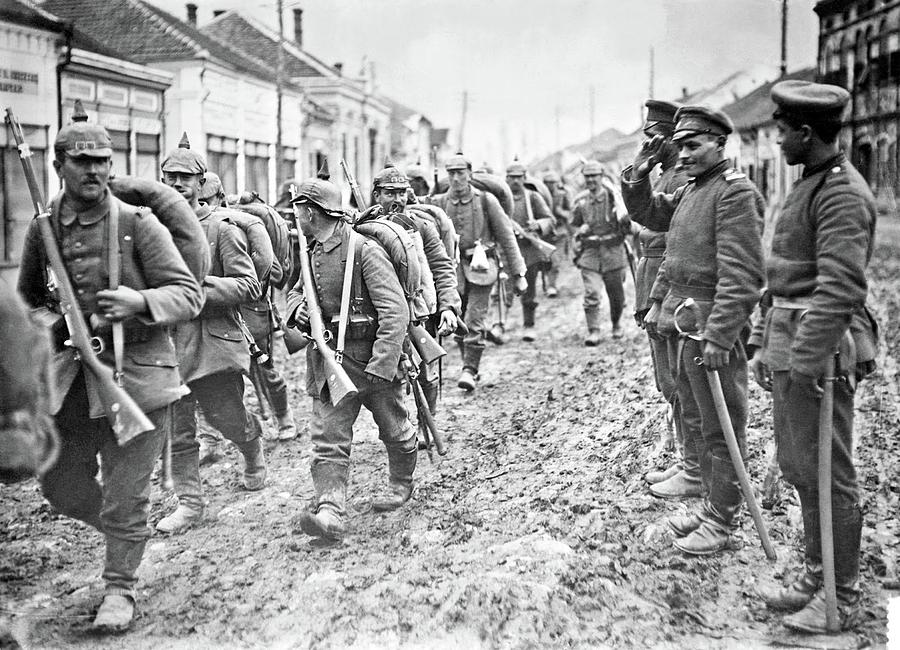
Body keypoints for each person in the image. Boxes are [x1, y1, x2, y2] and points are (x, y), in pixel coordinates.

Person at [17, 110, 203, 630]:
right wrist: (58, 324)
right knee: (59, 484)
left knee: (127, 493)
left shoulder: (136, 224)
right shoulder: (43, 228)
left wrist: (137, 301)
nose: (95, 172)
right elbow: (29, 299)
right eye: (82, 163)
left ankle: (120, 588)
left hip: (138, 377)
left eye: (103, 161)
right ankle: (129, 533)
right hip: (75, 382)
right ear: (58, 166)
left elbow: (186, 293)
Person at [753, 81, 878, 634]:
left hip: (820, 348)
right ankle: (815, 574)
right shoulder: (808, 183)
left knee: (830, 471)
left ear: (806, 133)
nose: (777, 139)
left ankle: (842, 594)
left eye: (782, 130)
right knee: (801, 467)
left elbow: (839, 289)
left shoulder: (842, 194)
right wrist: (763, 342)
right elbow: (780, 273)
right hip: (790, 336)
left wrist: (803, 363)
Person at [621, 105, 765, 555]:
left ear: (720, 144)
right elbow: (659, 229)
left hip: (709, 328)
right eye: (679, 146)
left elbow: (742, 277)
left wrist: (721, 336)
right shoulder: (693, 191)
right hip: (685, 322)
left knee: (723, 427)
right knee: (696, 417)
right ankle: (708, 505)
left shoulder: (734, 194)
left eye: (693, 146)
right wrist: (639, 173)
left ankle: (723, 519)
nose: (682, 155)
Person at [285, 170, 415, 541]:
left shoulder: (364, 250)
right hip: (330, 363)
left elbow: (395, 313)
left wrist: (382, 367)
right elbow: (295, 292)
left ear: (311, 213)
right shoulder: (309, 251)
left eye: (299, 211)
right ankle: (330, 510)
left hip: (370, 359)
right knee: (328, 435)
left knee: (394, 427)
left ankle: (400, 483)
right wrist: (299, 311)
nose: (296, 217)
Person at [155, 134, 267, 534]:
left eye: (186, 178)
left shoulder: (222, 228)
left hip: (211, 342)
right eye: (171, 176)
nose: (178, 184)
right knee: (177, 428)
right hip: (165, 345)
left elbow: (248, 285)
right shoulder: (150, 227)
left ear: (202, 183)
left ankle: (251, 446)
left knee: (226, 416)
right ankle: (189, 502)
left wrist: (197, 292)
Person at [629, 100, 699, 498]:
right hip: (652, 275)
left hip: (668, 279)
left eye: (652, 136)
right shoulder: (663, 176)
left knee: (677, 377)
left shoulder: (678, 179)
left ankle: (691, 461)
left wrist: (661, 297)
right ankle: (685, 455)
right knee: (667, 377)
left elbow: (677, 244)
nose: (648, 144)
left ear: (669, 137)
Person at [199, 173, 299, 444]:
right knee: (208, 376)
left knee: (263, 372)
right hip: (211, 311)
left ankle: (283, 416)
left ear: (219, 198)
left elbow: (276, 273)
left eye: (205, 200)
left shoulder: (239, 225)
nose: (200, 206)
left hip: (249, 309)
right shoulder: (187, 226)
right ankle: (210, 438)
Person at [367, 160, 461, 413]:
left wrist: (448, 306)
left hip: (419, 310)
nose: (397, 199)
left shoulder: (422, 226)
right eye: (390, 193)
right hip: (381, 313)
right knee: (387, 371)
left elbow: (442, 267)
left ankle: (425, 421)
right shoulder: (364, 228)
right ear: (377, 195)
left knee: (425, 374)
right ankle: (400, 429)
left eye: (402, 192)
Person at [431, 152, 527, 390]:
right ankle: (469, 363)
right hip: (451, 272)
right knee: (460, 319)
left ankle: (469, 370)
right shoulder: (440, 203)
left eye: (460, 173)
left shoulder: (486, 201)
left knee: (475, 318)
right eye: (451, 173)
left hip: (483, 267)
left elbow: (506, 237)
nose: (455, 179)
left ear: (469, 175)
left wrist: (519, 274)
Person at [571, 161, 629, 345]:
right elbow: (574, 225)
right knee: (592, 293)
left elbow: (627, 224)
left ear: (601, 177)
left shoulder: (614, 199)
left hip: (613, 252)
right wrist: (582, 229)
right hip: (590, 253)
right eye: (587, 176)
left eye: (594, 176)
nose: (590, 180)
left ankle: (616, 323)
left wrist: (623, 218)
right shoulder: (580, 202)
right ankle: (593, 330)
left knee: (616, 295)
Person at [505, 159, 554, 341]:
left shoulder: (532, 197)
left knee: (529, 289)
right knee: (503, 290)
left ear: (525, 178)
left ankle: (529, 325)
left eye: (519, 177)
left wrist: (538, 225)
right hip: (508, 249)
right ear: (506, 178)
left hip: (529, 249)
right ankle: (500, 325)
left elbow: (549, 219)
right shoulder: (501, 198)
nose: (516, 181)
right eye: (512, 177)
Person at [541, 170, 573, 296]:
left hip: (560, 233)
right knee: (545, 261)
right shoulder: (539, 196)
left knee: (555, 260)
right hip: (544, 234)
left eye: (552, 182)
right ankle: (547, 283)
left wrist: (560, 212)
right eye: (547, 183)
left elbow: (571, 214)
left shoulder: (563, 195)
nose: (550, 185)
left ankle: (551, 286)